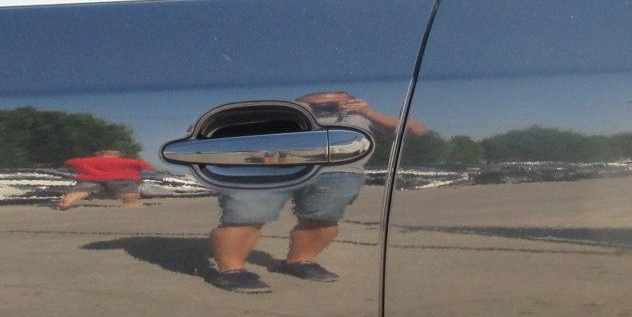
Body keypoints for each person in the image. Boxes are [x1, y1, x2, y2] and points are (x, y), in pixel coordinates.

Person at [206, 90, 427, 294]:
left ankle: (300, 261)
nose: (325, 108)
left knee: (321, 220)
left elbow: (417, 130)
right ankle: (231, 271)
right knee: (246, 216)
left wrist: (368, 112)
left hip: (339, 173)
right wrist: (291, 115)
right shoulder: (287, 116)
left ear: (351, 102)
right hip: (275, 170)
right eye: (315, 104)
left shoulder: (362, 117)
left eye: (334, 103)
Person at [55, 149, 156, 209]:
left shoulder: (87, 160)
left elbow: (70, 162)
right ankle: (131, 203)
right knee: (128, 193)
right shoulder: (127, 161)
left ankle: (67, 202)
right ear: (117, 155)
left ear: (99, 154)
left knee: (81, 191)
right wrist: (151, 169)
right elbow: (145, 165)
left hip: (91, 178)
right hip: (121, 179)